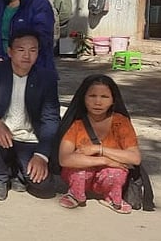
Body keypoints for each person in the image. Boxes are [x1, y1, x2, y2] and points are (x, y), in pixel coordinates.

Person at [0, 32, 60, 201]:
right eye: (20, 49)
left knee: (44, 186)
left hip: (30, 138)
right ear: (9, 51)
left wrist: (42, 155)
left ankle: (17, 171)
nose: (27, 55)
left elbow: (51, 118)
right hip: (2, 136)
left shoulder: (46, 78)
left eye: (33, 50)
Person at [56, 74, 141, 214]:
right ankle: (75, 194)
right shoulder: (76, 124)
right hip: (82, 174)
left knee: (116, 172)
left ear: (113, 100)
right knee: (80, 169)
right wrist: (105, 160)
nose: (98, 102)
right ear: (83, 98)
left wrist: (98, 149)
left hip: (107, 175)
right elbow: (64, 159)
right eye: (92, 96)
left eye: (104, 97)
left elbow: (135, 158)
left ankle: (112, 197)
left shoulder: (121, 123)